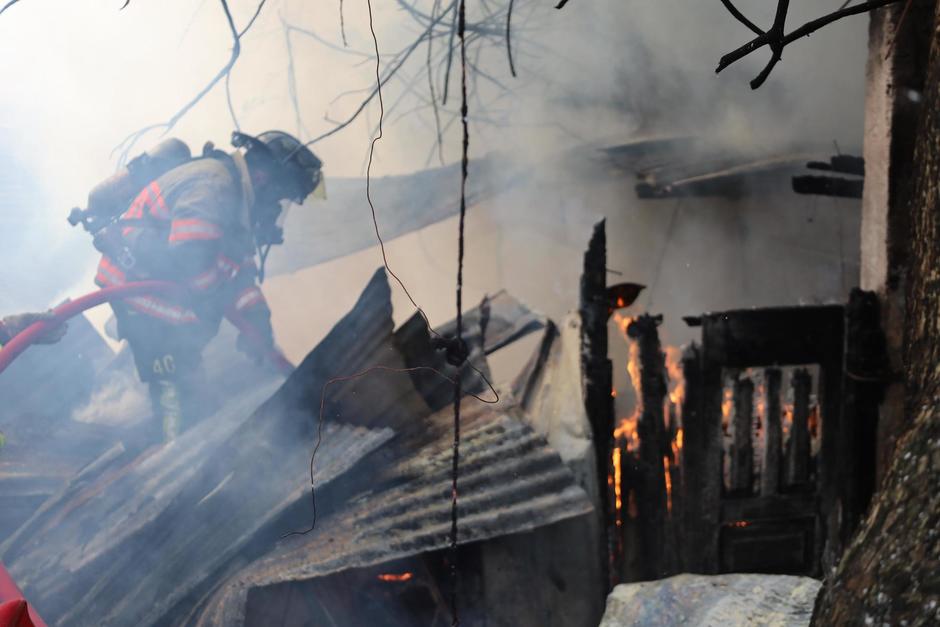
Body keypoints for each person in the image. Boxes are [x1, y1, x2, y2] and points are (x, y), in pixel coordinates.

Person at [92, 130, 323, 440]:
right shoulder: (214, 186)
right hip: (140, 295)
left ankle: (159, 429)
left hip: (167, 301)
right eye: (281, 197)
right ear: (265, 178)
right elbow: (191, 258)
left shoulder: (235, 201)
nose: (278, 209)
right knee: (174, 390)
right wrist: (220, 300)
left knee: (188, 379)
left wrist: (258, 321)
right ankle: (167, 456)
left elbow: (239, 271)